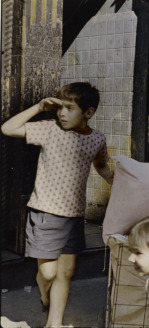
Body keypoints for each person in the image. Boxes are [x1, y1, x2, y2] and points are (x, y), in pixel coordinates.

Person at [1, 82, 114, 327]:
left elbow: (102, 165)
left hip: (73, 216)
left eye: (69, 108)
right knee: (49, 274)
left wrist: (119, 183)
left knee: (65, 274)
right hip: (45, 213)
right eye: (59, 108)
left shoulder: (97, 139)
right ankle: (43, 291)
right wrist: (39, 107)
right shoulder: (49, 130)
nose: (61, 113)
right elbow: (7, 128)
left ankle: (54, 323)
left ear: (88, 113)